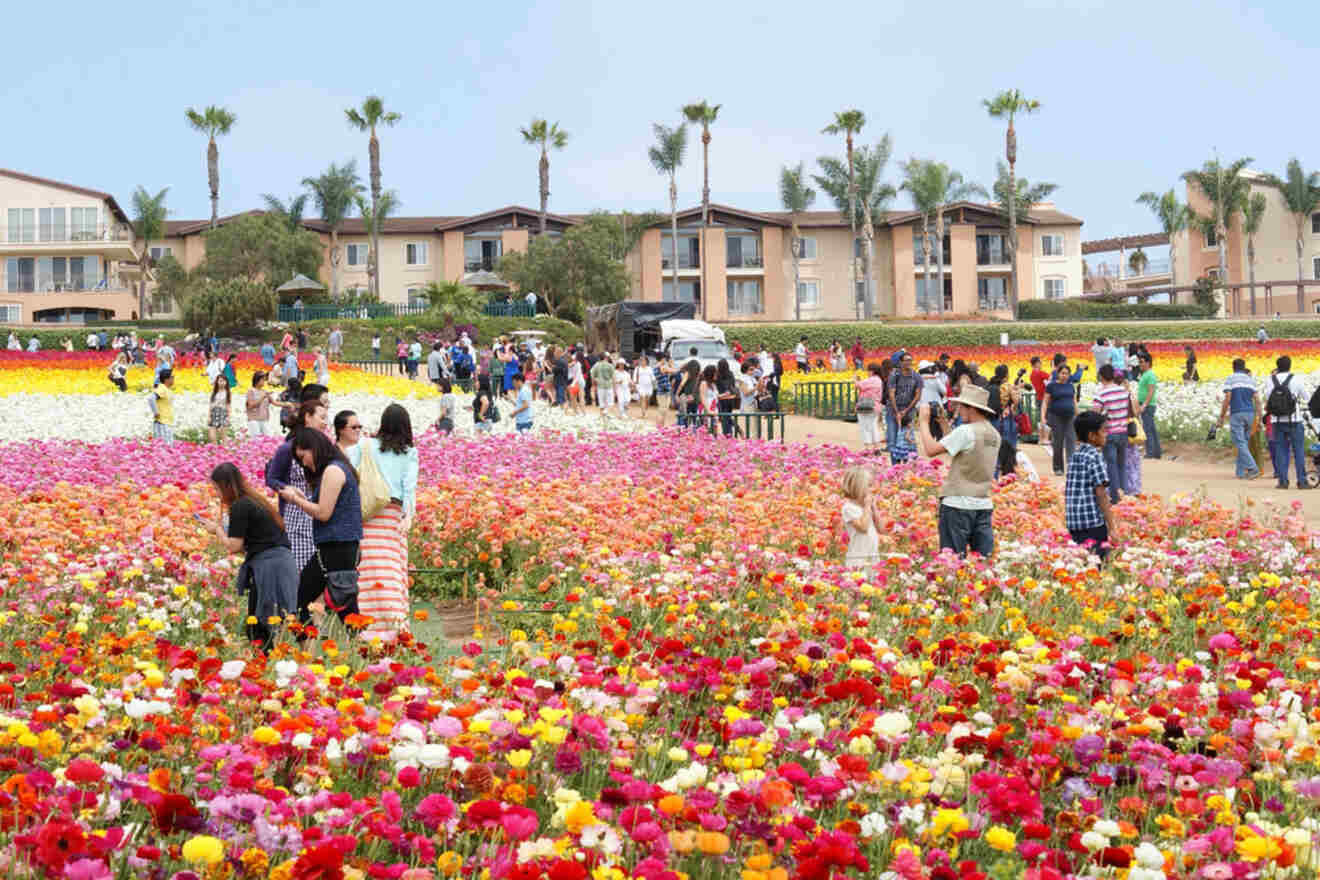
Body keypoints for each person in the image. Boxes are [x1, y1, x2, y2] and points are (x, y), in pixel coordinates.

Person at [201, 462, 299, 652]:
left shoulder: (240, 506)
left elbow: (234, 546)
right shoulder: (255, 501)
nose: (217, 493)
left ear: (226, 486)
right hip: (281, 563)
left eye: (217, 488)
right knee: (265, 622)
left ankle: (267, 668)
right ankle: (269, 665)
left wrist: (217, 530)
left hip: (270, 567)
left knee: (261, 625)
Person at [343, 404, 418, 643]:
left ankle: (366, 627)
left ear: (383, 424)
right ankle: (395, 625)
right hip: (392, 517)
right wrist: (408, 517)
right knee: (392, 572)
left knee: (367, 572)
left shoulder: (364, 446)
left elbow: (350, 474)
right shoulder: (409, 453)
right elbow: (409, 488)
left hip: (366, 515)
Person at [279, 428, 362, 626]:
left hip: (336, 547)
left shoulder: (333, 470)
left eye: (303, 456)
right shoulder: (338, 467)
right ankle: (362, 651)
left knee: (304, 603)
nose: (304, 462)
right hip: (338, 547)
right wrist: (301, 497)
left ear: (314, 449)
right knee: (346, 608)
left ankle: (308, 650)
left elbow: (324, 513)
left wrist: (295, 500)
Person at [916, 384, 1000, 558]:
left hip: (957, 504)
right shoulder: (994, 434)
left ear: (971, 408)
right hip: (983, 503)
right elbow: (958, 445)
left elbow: (931, 450)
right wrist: (943, 423)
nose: (959, 409)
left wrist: (923, 422)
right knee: (982, 562)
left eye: (962, 406)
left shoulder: (965, 431)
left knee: (952, 561)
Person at [265, 400, 328, 573]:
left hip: (321, 514)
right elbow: (272, 478)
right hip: (296, 516)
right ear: (307, 417)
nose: (325, 422)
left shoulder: (325, 447)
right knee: (300, 570)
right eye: (321, 418)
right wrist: (287, 489)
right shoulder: (288, 448)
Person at [1064, 411, 1118, 562]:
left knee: (1080, 562)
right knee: (1095, 565)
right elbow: (1101, 493)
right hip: (1093, 523)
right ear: (1092, 436)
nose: (1106, 434)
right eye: (1103, 430)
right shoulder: (1095, 457)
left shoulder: (1075, 455)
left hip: (1075, 523)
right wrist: (1112, 526)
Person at [1265, 355, 1309, 490]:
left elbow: (1268, 398)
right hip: (1294, 420)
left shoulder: (1270, 380)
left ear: (1277, 366)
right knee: (1298, 451)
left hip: (1276, 420)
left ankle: (1283, 481)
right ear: (1290, 365)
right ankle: (1302, 481)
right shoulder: (1297, 379)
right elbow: (1306, 397)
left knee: (1281, 451)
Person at [1214, 358, 1262, 481]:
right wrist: (1259, 417)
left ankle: (1253, 468)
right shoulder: (1250, 380)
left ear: (1233, 367)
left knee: (1239, 443)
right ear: (1244, 367)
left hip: (1237, 413)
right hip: (1250, 414)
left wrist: (1221, 416)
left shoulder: (1231, 379)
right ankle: (1240, 472)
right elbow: (1257, 399)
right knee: (1244, 443)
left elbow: (1228, 397)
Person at [1091, 364, 1131, 503]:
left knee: (1111, 466)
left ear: (1101, 376)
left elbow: (1095, 414)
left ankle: (1115, 498)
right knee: (1121, 465)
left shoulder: (1101, 393)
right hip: (1123, 431)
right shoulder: (1123, 391)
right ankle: (1123, 495)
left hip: (1110, 433)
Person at [839, 466, 881, 568]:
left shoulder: (866, 508)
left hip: (872, 556)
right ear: (857, 487)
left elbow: (881, 529)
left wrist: (874, 509)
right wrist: (867, 506)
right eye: (869, 486)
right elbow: (863, 528)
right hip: (858, 558)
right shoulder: (849, 508)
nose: (872, 489)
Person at [1041, 363, 1078, 475]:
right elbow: (1045, 402)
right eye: (1062, 373)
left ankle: (1071, 465)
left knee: (1071, 441)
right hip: (1056, 416)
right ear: (1058, 373)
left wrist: (1077, 415)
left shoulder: (1071, 386)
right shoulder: (1051, 386)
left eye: (1067, 374)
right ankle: (1058, 468)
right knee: (1058, 442)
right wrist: (1043, 417)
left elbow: (1074, 401)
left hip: (1070, 416)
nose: (1064, 376)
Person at [887, 353, 921, 464]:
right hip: (893, 410)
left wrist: (906, 410)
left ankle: (907, 465)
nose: (908, 362)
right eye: (906, 360)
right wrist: (897, 411)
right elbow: (891, 394)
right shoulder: (894, 375)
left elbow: (917, 396)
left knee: (908, 439)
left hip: (909, 410)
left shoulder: (916, 376)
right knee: (893, 438)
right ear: (900, 362)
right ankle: (895, 467)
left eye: (910, 360)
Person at [1134, 352, 1160, 460]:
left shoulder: (1150, 374)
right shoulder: (1145, 374)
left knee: (1147, 429)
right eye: (1139, 362)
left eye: (1141, 362)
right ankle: (1156, 452)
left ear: (1148, 363)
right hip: (1145, 404)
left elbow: (1151, 391)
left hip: (1148, 405)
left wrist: (1144, 405)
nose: (1140, 364)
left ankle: (1150, 453)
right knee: (1151, 428)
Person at [854, 363, 885, 454]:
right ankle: (877, 448)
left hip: (865, 405)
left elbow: (858, 385)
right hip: (875, 406)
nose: (867, 372)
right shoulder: (879, 380)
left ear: (872, 371)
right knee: (873, 426)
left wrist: (855, 379)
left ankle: (867, 448)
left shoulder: (871, 379)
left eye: (868, 370)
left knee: (864, 427)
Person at [246, 371, 287, 436]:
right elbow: (251, 405)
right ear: (257, 380)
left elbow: (275, 403)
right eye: (262, 380)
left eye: (264, 380)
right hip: (254, 419)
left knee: (268, 437)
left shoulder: (265, 391)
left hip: (264, 419)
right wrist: (262, 397)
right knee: (256, 439)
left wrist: (288, 404)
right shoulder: (251, 391)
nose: (264, 382)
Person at [151, 370, 176, 444]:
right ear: (166, 379)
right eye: (172, 377)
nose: (173, 379)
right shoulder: (162, 388)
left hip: (166, 421)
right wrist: (156, 412)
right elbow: (151, 398)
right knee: (165, 446)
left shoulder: (166, 389)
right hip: (162, 422)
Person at [208, 375, 232, 444]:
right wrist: (209, 416)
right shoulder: (214, 393)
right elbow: (210, 406)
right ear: (217, 382)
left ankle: (225, 452)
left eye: (224, 381)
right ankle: (215, 452)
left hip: (223, 413)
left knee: (223, 436)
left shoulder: (227, 393)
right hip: (214, 413)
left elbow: (228, 406)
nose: (222, 382)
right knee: (212, 436)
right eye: (220, 381)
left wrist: (228, 417)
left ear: (226, 382)